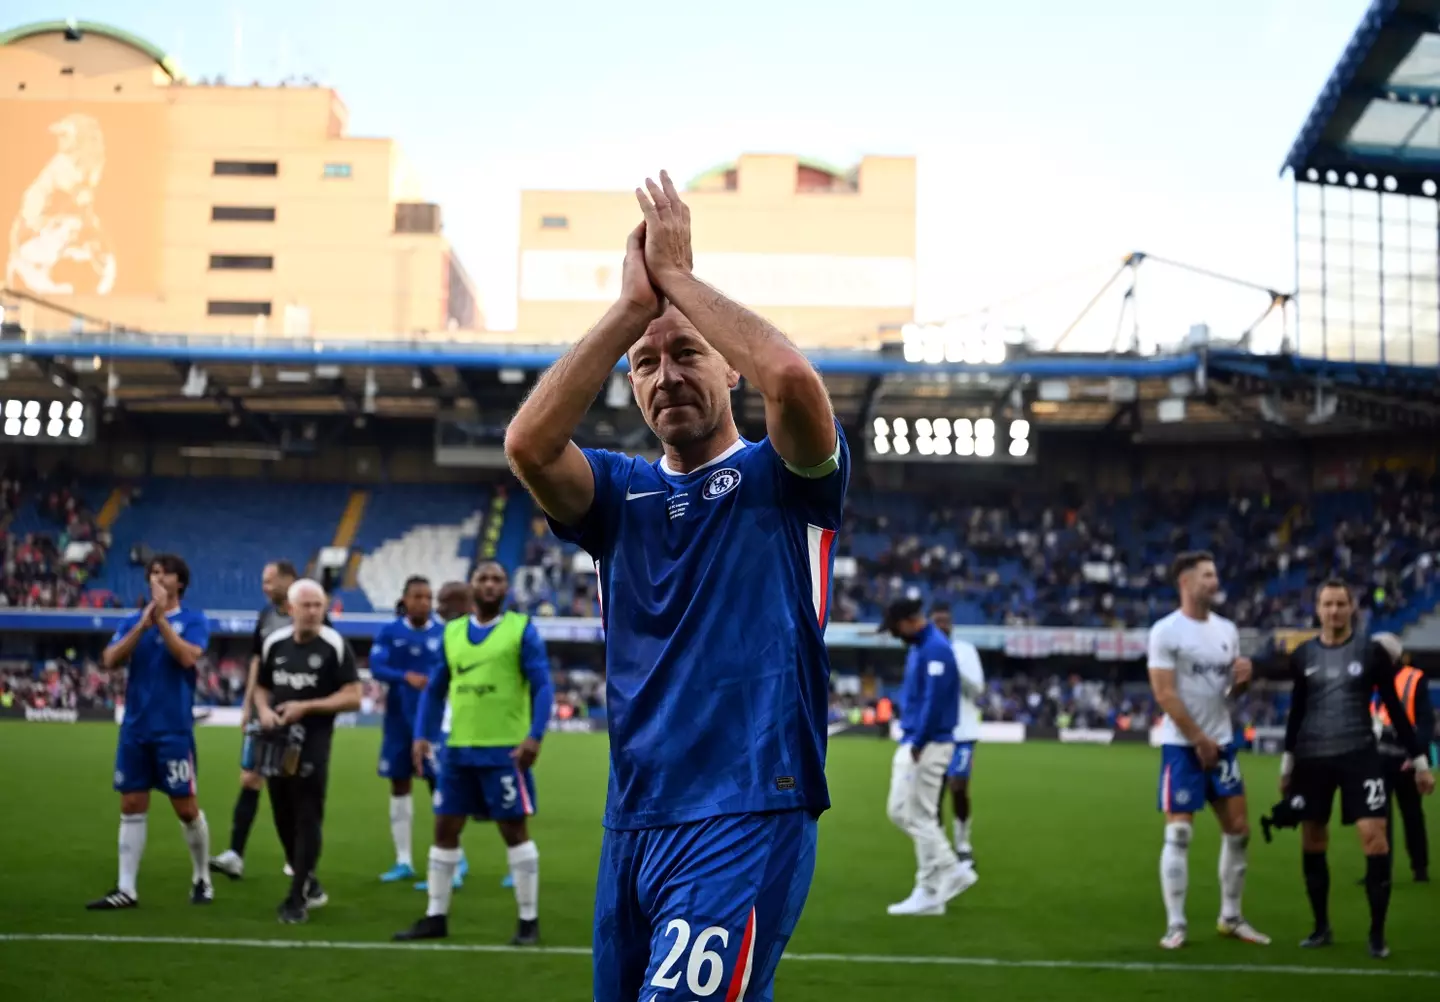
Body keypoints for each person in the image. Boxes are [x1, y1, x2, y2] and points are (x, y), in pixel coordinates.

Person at [504, 171, 848, 999]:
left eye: (687, 352)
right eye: (646, 365)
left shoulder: (785, 478)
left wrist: (678, 280)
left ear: (730, 369)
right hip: (636, 818)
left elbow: (795, 380)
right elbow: (528, 445)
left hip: (747, 804)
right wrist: (633, 308)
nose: (666, 376)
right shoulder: (621, 494)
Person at [393, 561, 554, 944]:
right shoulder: (452, 633)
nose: (490, 584)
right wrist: (422, 736)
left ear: (505, 589)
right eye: (483, 578)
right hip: (458, 751)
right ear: (472, 587)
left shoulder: (521, 630)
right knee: (444, 829)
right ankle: (436, 916)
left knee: (514, 831)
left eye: (497, 578)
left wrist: (534, 737)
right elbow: (435, 689)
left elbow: (542, 687)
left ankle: (528, 921)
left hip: (504, 752)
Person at [1281, 579, 1434, 958]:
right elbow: (1296, 712)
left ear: (1352, 608)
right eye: (1327, 604)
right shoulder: (1302, 656)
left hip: (1360, 756)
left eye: (1340, 604)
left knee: (1375, 837)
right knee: (1313, 839)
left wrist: (1420, 762)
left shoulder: (1371, 653)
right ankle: (1321, 927)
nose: (1333, 611)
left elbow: (1396, 712)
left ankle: (1377, 935)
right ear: (1317, 609)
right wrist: (1287, 763)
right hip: (1312, 759)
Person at [1147, 551, 1268, 950]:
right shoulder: (1165, 631)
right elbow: (1164, 693)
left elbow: (1229, 694)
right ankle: (1175, 924)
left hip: (1223, 743)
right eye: (1207, 576)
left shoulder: (1227, 630)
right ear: (1185, 582)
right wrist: (1198, 738)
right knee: (1179, 832)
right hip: (1183, 746)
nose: (1215, 582)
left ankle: (1231, 917)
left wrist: (1244, 682)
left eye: (1215, 575)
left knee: (1239, 833)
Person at [87, 554, 214, 910]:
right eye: (152, 574)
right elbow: (110, 659)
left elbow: (188, 658)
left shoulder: (194, 620)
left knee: (186, 809)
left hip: (172, 729)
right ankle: (126, 888)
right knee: (130, 803)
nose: (156, 579)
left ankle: (202, 877)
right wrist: (143, 625)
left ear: (180, 583)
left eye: (164, 573)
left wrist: (160, 622)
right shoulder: (133, 621)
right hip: (136, 729)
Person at [252, 578, 362, 924]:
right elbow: (261, 686)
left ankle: (297, 896)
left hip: (313, 743)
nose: (314, 612)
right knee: (282, 814)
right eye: (307, 605)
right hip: (276, 743)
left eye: (319, 605)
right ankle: (308, 879)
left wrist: (308, 706)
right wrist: (265, 711)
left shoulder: (334, 645)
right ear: (290, 608)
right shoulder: (275, 643)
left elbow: (354, 695)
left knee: (307, 814)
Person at [881, 598, 978, 916]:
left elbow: (934, 702)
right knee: (901, 812)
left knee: (918, 815)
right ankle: (933, 888)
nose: (896, 636)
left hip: (929, 743)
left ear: (909, 621)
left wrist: (919, 742)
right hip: (919, 739)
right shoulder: (923, 647)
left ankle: (945, 874)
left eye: (896, 629)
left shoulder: (934, 648)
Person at [211, 559, 297, 880]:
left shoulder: (309, 610)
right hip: (264, 708)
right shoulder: (265, 616)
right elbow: (257, 662)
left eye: (269, 581)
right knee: (250, 778)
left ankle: (294, 856)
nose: (264, 587)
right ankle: (235, 854)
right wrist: (247, 704)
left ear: (288, 580)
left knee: (287, 786)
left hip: (295, 712)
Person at [369, 576, 446, 884]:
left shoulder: (443, 633)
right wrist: (406, 677)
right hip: (398, 724)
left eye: (428, 597)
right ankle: (403, 860)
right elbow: (377, 668)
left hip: (432, 726)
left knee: (440, 789)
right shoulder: (390, 632)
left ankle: (455, 859)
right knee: (399, 787)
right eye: (418, 597)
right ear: (405, 599)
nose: (424, 602)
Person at [930, 602, 984, 864]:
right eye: (937, 621)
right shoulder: (924, 652)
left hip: (963, 733)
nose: (942, 626)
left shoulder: (965, 651)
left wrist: (955, 669)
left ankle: (963, 842)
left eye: (946, 621)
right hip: (935, 734)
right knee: (934, 793)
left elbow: (978, 690)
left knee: (958, 786)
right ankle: (941, 847)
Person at [1371, 656, 1433, 882]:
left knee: (1412, 815)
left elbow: (1425, 722)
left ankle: (1420, 868)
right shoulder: (1373, 679)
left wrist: (1416, 756)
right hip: (1378, 758)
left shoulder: (1413, 678)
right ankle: (1380, 869)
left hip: (1405, 758)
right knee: (1378, 817)